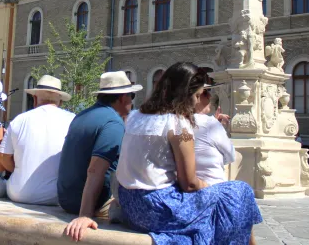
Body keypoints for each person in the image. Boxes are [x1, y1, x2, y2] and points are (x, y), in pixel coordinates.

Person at [108, 63, 262, 245]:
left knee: (221, 202)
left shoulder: (135, 117)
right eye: (196, 95)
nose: (198, 101)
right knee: (239, 192)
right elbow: (189, 183)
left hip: (129, 204)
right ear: (184, 94)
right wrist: (209, 188)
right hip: (157, 208)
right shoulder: (178, 124)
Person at [59, 71, 139, 238]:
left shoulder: (82, 115)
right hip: (93, 204)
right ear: (123, 97)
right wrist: (85, 215)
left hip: (65, 199)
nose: (132, 101)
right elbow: (95, 170)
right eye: (132, 95)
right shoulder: (113, 123)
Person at [0, 75, 75, 205]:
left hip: (18, 193)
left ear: (34, 99)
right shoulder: (73, 120)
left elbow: (3, 156)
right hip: (56, 195)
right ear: (60, 102)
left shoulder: (19, 120)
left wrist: (21, 170)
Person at [193, 87, 235, 185]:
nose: (210, 95)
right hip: (212, 185)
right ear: (196, 97)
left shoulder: (179, 121)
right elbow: (231, 155)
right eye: (206, 93)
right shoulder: (209, 123)